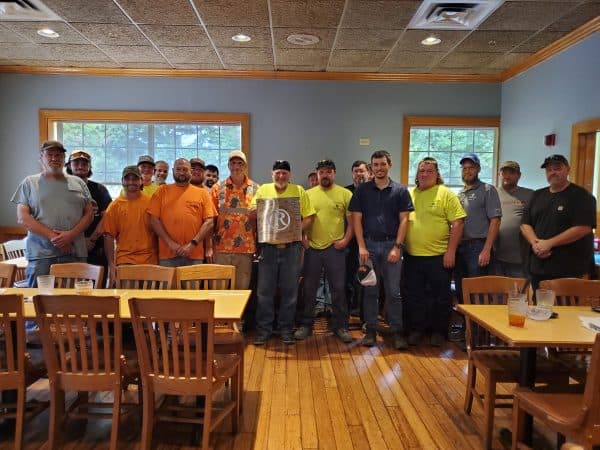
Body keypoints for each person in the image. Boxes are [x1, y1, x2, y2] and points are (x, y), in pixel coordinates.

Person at [349, 150, 413, 349]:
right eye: (375, 165)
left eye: (382, 164)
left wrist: (397, 246)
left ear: (389, 165)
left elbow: (404, 220)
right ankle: (371, 331)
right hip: (368, 247)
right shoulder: (362, 191)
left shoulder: (400, 191)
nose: (379, 168)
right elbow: (356, 219)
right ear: (371, 168)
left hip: (391, 246)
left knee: (394, 292)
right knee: (370, 292)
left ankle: (396, 332)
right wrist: (361, 246)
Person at [11, 140, 94, 287]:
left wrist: (71, 235)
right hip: (41, 255)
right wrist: (54, 237)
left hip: (75, 252)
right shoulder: (29, 183)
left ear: (64, 159)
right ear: (41, 157)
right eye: (50, 155)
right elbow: (23, 217)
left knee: (75, 301)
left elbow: (89, 214)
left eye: (58, 155)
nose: (54, 158)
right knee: (38, 300)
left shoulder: (79, 183)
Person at [251, 160, 315, 345]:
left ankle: (286, 328)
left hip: (291, 249)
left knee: (290, 290)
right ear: (272, 174)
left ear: (290, 175)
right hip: (268, 248)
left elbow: (309, 217)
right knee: (264, 291)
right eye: (277, 173)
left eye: (284, 173)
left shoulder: (299, 191)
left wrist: (294, 231)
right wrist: (260, 209)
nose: (281, 176)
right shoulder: (263, 190)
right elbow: (252, 214)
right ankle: (264, 330)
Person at [404, 157, 465, 347]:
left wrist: (451, 252)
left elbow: (458, 222)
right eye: (421, 170)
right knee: (414, 296)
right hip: (412, 256)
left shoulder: (446, 194)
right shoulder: (409, 194)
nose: (424, 174)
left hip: (439, 256)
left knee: (440, 297)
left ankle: (438, 332)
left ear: (437, 174)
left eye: (429, 171)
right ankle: (417, 330)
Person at [294, 159, 354, 343]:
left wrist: (345, 240)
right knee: (309, 289)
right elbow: (299, 220)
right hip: (312, 249)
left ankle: (341, 326)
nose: (325, 175)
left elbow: (352, 223)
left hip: (335, 250)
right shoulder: (307, 194)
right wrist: (304, 240)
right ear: (317, 174)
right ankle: (306, 325)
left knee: (338, 289)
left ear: (334, 173)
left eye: (328, 171)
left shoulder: (345, 194)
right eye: (322, 172)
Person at [521, 154, 596, 291]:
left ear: (568, 169)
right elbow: (525, 223)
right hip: (539, 266)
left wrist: (549, 243)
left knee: (567, 309)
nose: (553, 172)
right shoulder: (537, 195)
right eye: (549, 170)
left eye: (557, 168)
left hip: (569, 268)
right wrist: (535, 243)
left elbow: (583, 227)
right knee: (540, 308)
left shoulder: (582, 196)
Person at [148, 158, 216, 267]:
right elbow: (153, 219)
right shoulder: (161, 191)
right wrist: (171, 244)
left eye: (185, 169)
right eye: (178, 169)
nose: (181, 172)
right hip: (167, 255)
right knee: (169, 285)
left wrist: (192, 244)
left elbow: (209, 222)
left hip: (194, 255)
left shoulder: (203, 194)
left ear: (190, 171)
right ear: (173, 170)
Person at [455, 153, 502, 303]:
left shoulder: (487, 190)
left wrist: (487, 249)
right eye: (464, 168)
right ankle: (466, 325)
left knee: (477, 291)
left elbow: (495, 220)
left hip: (478, 246)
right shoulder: (460, 194)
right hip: (460, 247)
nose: (467, 171)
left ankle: (478, 326)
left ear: (478, 169)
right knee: (461, 288)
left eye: (471, 168)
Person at [102, 165, 157, 287]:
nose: (131, 182)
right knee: (125, 302)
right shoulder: (114, 207)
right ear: (122, 181)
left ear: (141, 181)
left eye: (135, 178)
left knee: (149, 303)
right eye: (127, 179)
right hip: (125, 261)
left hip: (150, 261)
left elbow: (159, 232)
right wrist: (111, 265)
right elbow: (108, 237)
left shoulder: (151, 203)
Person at [211, 150, 259, 289]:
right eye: (233, 163)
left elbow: (261, 221)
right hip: (221, 249)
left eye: (240, 163)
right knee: (219, 290)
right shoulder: (217, 188)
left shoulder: (256, 189)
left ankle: (238, 313)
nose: (236, 166)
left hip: (246, 249)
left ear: (245, 166)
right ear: (228, 166)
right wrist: (209, 246)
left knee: (241, 292)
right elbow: (210, 219)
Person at [65, 150, 112, 287]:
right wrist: (78, 241)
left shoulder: (99, 189)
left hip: (96, 248)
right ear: (69, 166)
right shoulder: (62, 188)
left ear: (90, 167)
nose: (80, 166)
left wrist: (91, 239)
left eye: (84, 163)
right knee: (71, 292)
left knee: (98, 292)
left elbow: (106, 218)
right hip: (70, 248)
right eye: (76, 163)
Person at [495, 161, 534, 278]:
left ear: (519, 175)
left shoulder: (530, 194)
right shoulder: (492, 193)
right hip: (496, 256)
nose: (507, 176)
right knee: (499, 292)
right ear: (499, 174)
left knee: (519, 293)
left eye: (511, 173)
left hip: (520, 256)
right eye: (504, 172)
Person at [344, 160, 369, 312]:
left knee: (367, 280)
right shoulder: (346, 192)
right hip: (349, 243)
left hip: (369, 242)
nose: (359, 174)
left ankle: (365, 314)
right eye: (356, 171)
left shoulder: (374, 190)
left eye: (362, 171)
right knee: (347, 279)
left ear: (368, 173)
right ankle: (347, 311)